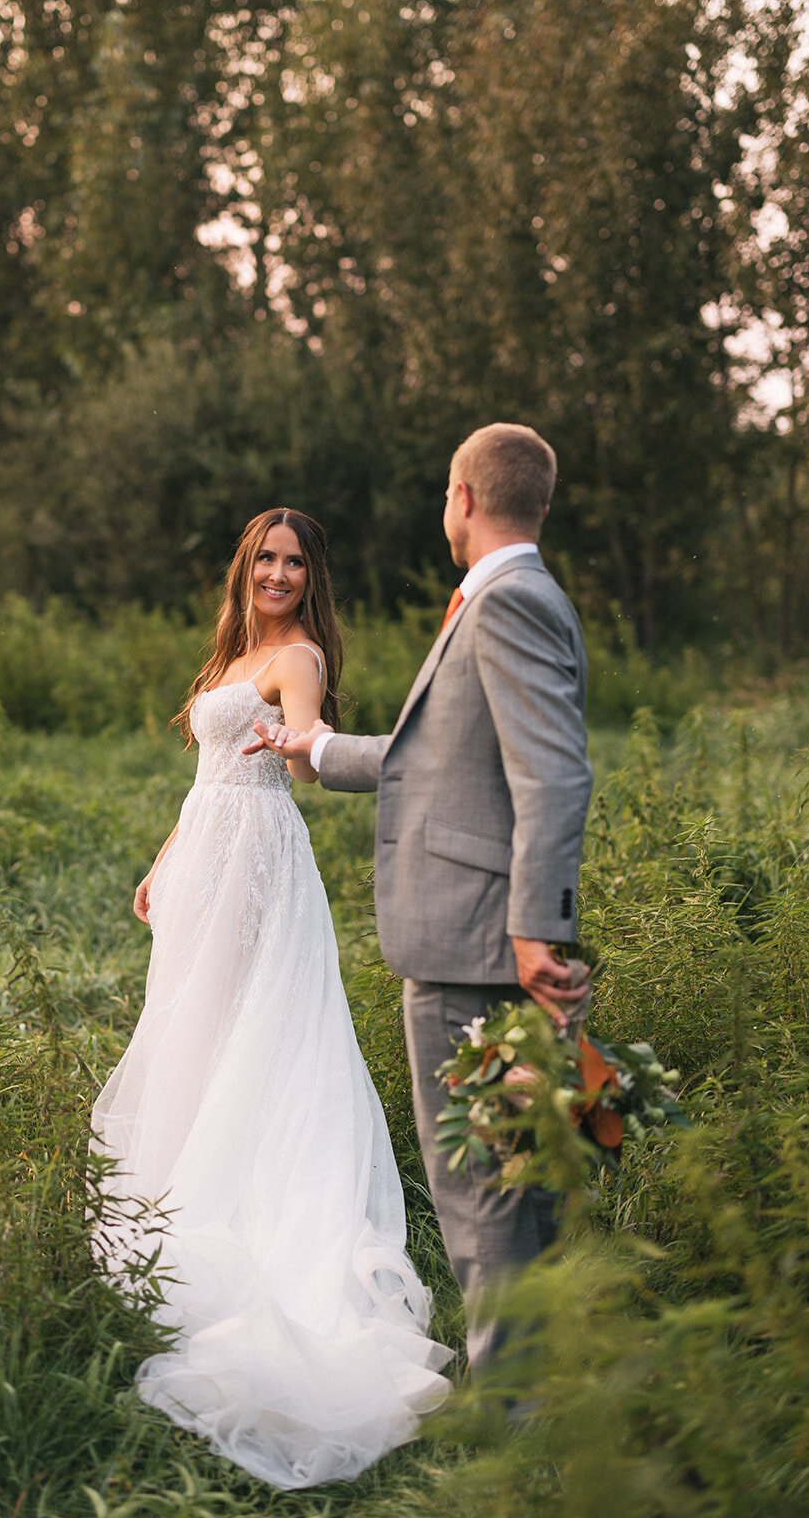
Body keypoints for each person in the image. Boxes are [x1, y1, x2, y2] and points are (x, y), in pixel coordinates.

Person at [90, 508, 452, 1490]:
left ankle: (248, 1211)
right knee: (197, 1028)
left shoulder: (295, 656)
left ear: (308, 577)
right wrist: (166, 861)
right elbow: (204, 772)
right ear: (244, 566)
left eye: (294, 562)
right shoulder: (231, 651)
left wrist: (315, 741)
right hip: (206, 854)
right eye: (266, 558)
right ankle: (191, 1176)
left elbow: (304, 755)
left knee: (252, 1028)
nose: (279, 573)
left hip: (256, 859)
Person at [246, 425, 593, 1376]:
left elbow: (555, 778)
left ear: (463, 499)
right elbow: (430, 761)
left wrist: (533, 929)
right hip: (477, 937)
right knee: (516, 1178)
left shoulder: (508, 603)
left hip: (473, 945)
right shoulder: (513, 597)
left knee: (479, 1189)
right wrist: (311, 749)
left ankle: (513, 1416)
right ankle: (542, 1386)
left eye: (446, 495)